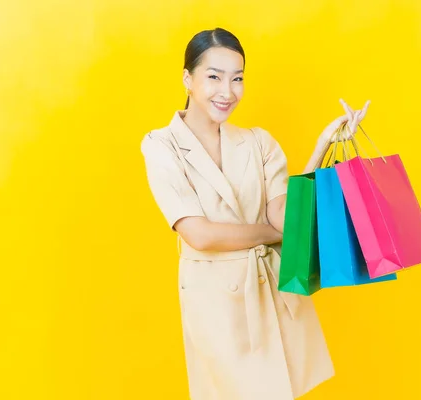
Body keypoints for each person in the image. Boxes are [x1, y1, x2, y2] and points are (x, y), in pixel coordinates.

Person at [140, 27, 370, 400]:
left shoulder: (257, 141)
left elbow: (283, 217)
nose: (226, 92)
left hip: (270, 293)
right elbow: (199, 234)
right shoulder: (161, 145)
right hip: (215, 304)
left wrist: (321, 148)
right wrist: (270, 233)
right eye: (213, 77)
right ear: (188, 78)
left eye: (237, 79)